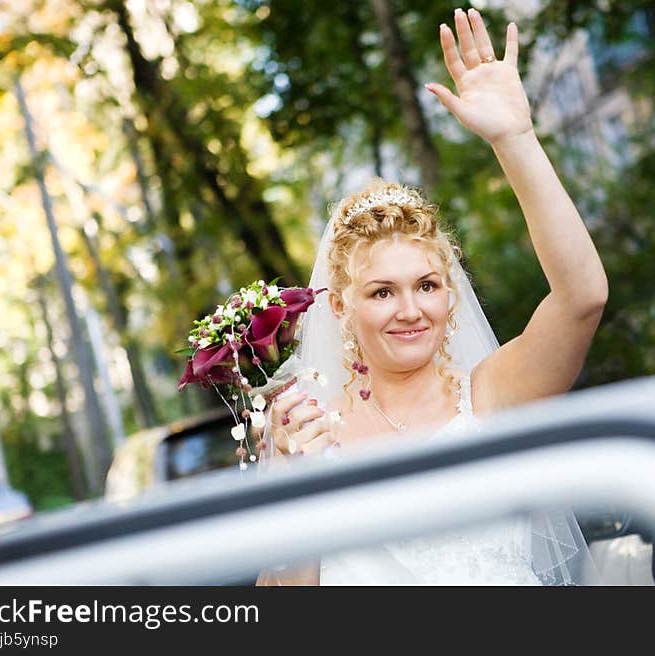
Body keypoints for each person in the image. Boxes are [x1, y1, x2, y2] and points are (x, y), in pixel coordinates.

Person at [256, 7, 608, 586]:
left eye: (426, 285)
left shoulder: (493, 395)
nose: (411, 310)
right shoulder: (306, 435)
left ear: (451, 293)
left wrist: (515, 139)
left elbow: (583, 298)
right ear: (339, 306)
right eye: (381, 292)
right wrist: (299, 482)